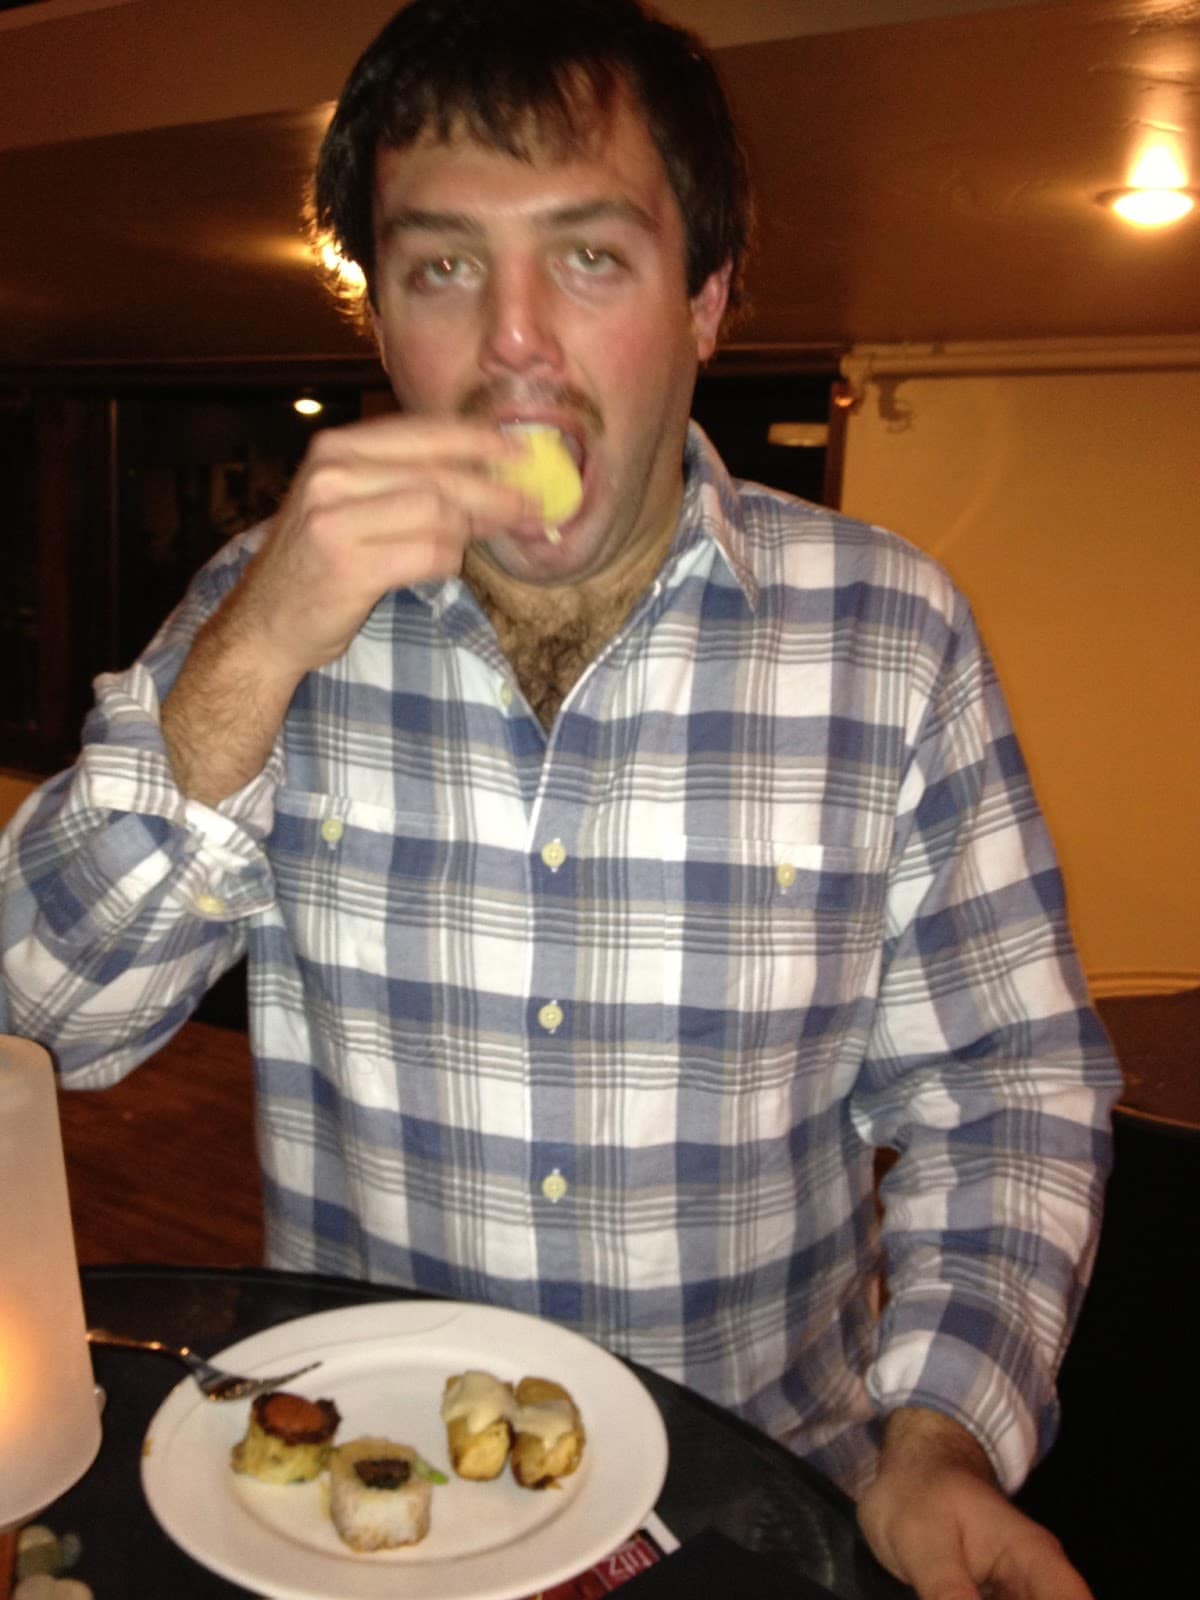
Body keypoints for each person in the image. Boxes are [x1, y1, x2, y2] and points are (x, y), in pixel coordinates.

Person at [0, 2, 1119, 1594]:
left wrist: (938, 1435)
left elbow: (1006, 1091)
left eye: (589, 257)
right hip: (362, 1523)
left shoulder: (892, 634)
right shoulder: (263, 603)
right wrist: (253, 653)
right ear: (381, 316)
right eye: (443, 267)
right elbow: (37, 1022)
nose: (513, 342)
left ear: (706, 299)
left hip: (749, 1525)